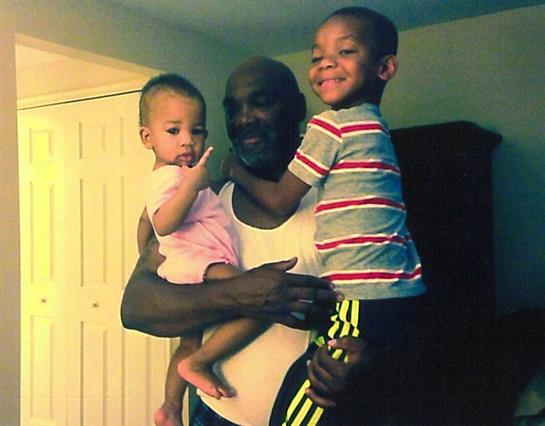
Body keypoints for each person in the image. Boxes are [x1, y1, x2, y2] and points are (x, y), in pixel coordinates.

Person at [221, 7, 425, 425]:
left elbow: (281, 201)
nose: (326, 64)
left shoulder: (331, 127)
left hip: (361, 294)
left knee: (309, 397)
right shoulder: (374, 128)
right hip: (399, 292)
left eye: (344, 51)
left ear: (385, 67)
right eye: (317, 57)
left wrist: (233, 170)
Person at [137, 73, 269, 426]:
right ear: (147, 137)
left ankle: (170, 406)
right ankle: (199, 364)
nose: (187, 141)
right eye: (173, 130)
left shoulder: (176, 175)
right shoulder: (169, 177)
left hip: (193, 262)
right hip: (202, 263)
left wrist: (148, 252)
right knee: (260, 302)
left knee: (188, 341)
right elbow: (164, 222)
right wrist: (191, 187)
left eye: (196, 131)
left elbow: (146, 221)